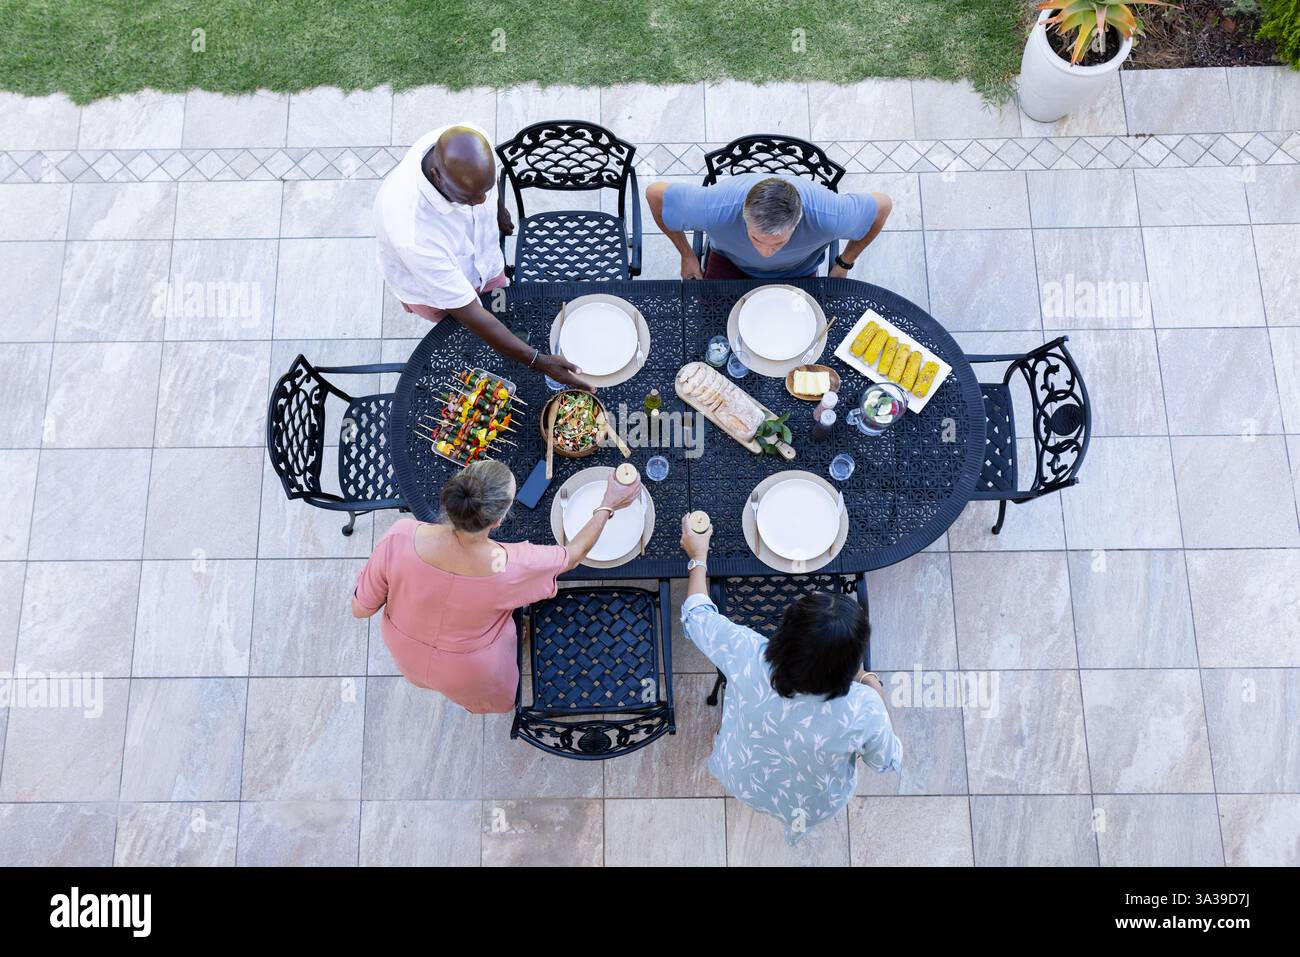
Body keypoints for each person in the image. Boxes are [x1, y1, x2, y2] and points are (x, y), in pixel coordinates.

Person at [677, 515, 902, 843]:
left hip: (741, 775)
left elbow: (696, 615)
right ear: (850, 660)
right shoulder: (864, 708)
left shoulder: (748, 653)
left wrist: (698, 556)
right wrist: (870, 681)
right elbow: (886, 761)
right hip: (811, 804)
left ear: (785, 632)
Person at [351, 461, 641, 713]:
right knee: (492, 695)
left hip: (405, 653)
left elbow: (361, 609)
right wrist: (608, 504)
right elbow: (573, 554)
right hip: (469, 671)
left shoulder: (400, 535)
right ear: (500, 519)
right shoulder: (512, 565)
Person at [374, 123, 590, 391]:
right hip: (432, 293)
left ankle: (506, 334)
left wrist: (498, 210)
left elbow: (492, 184)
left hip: (486, 264)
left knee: (499, 304)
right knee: (465, 329)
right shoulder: (412, 231)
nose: (480, 201)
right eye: (470, 198)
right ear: (437, 177)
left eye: (484, 193)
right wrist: (539, 360)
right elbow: (469, 311)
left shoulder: (475, 140)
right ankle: (481, 348)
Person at [647, 174, 892, 281]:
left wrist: (844, 263)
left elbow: (883, 205)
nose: (764, 253)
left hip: (798, 273)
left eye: (778, 243)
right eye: (755, 238)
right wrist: (687, 255)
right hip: (729, 264)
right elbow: (654, 194)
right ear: (743, 216)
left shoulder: (829, 216)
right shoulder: (713, 208)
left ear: (798, 221)